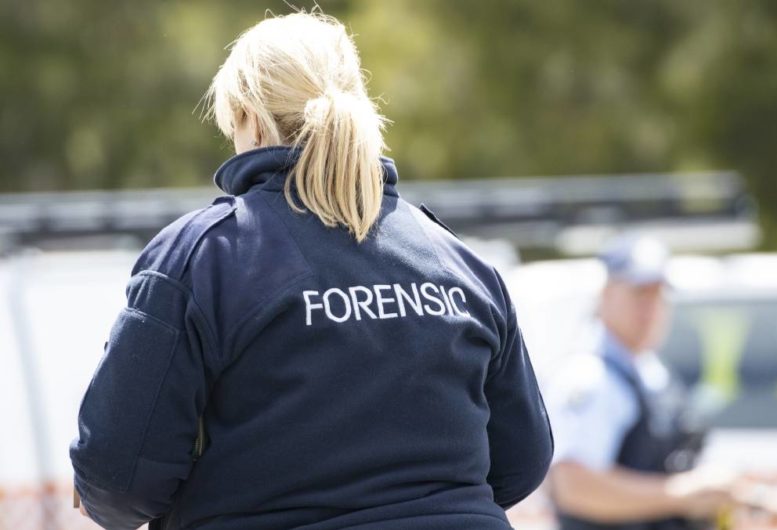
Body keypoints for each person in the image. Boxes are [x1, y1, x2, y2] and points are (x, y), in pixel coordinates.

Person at [70, 11, 552, 530]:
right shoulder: (458, 260)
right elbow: (522, 460)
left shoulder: (203, 258)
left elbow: (117, 481)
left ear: (250, 118)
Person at [545, 235, 735, 530]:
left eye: (659, 295)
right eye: (640, 294)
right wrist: (681, 494)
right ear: (607, 294)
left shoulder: (648, 368)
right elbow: (573, 486)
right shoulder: (590, 376)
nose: (652, 309)